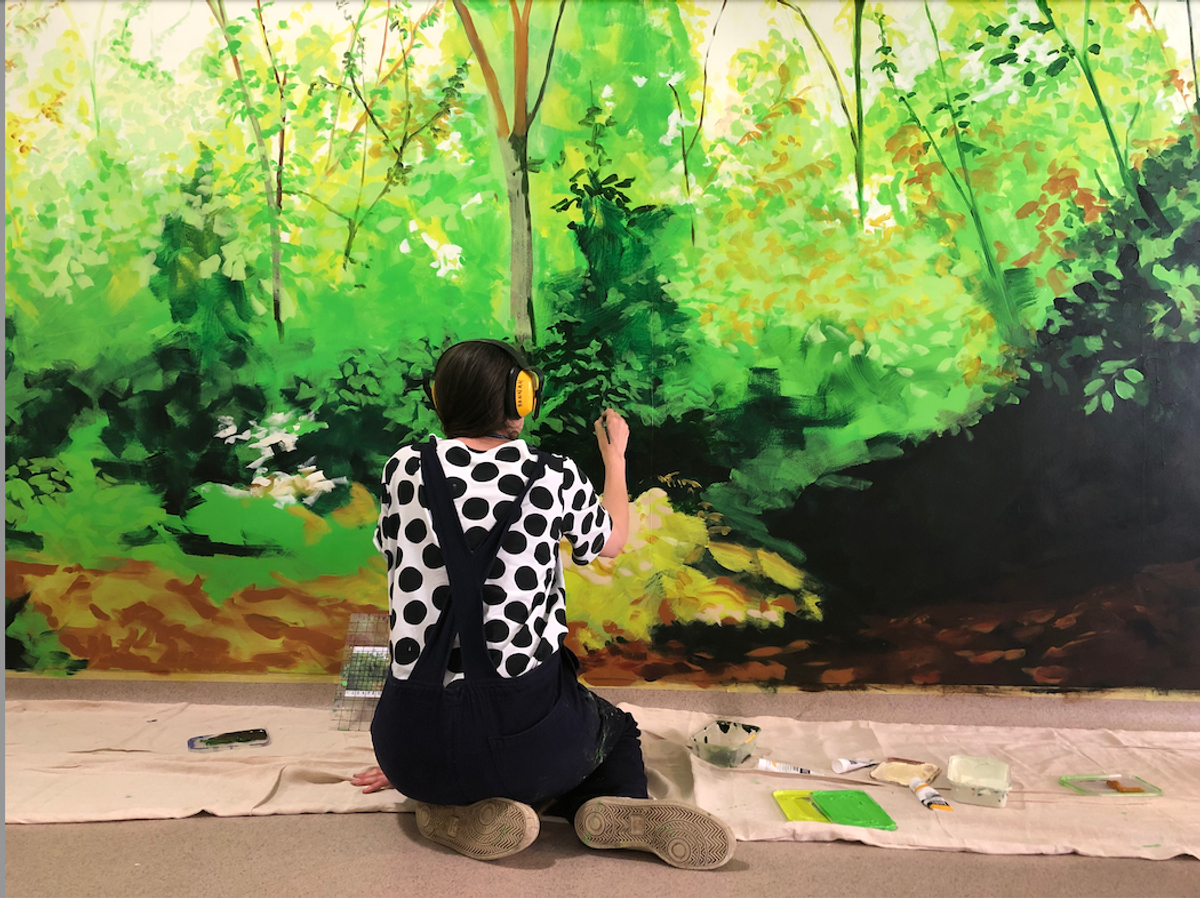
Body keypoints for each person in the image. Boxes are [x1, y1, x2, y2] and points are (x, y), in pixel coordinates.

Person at [351, 338, 734, 869]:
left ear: (440, 399)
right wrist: (614, 459)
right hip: (521, 743)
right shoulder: (551, 473)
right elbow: (612, 542)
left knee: (448, 753)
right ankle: (607, 803)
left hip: (404, 740)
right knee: (616, 728)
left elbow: (396, 558)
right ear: (521, 399)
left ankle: (439, 800)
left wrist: (405, 756)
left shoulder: (403, 468)